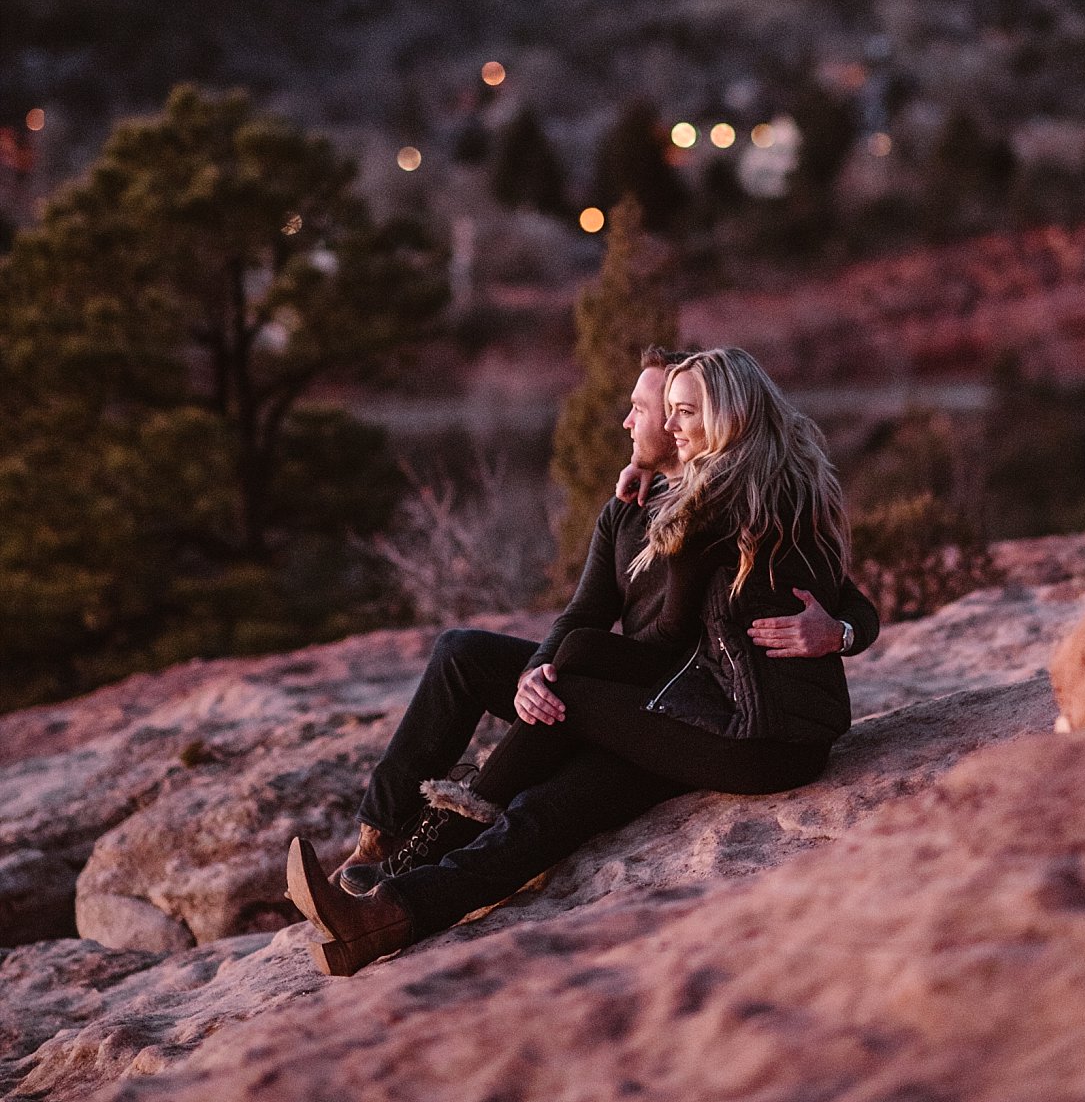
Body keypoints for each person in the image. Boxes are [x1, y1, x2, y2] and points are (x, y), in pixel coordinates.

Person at [288, 347, 879, 975]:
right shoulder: (692, 497)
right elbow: (583, 614)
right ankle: (382, 915)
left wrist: (836, 633)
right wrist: (536, 669)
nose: (651, 424)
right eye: (666, 411)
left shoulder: (747, 504)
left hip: (743, 728)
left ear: (724, 419)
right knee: (549, 799)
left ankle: (402, 868)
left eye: (673, 412)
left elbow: (828, 602)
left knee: (566, 691)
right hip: (686, 710)